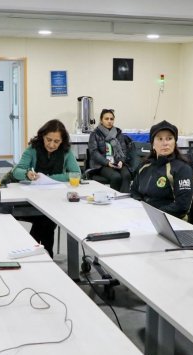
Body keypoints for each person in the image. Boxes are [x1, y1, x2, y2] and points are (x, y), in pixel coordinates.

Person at [12, 119, 81, 256]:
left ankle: (35, 253)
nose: (51, 144)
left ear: (62, 141)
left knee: (47, 217)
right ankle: (47, 254)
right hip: (31, 200)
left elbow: (77, 174)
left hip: (55, 199)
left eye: (56, 141)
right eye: (48, 140)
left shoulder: (66, 152)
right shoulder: (33, 149)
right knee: (46, 218)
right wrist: (27, 174)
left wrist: (49, 177)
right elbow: (16, 171)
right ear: (42, 136)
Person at [130, 120, 193, 220]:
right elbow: (134, 191)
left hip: (171, 222)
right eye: (160, 139)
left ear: (174, 142)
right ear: (153, 144)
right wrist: (141, 210)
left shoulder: (182, 169)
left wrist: (152, 214)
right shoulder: (145, 166)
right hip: (144, 218)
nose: (165, 143)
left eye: (169, 138)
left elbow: (182, 207)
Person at [87, 108, 135, 192]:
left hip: (117, 162)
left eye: (111, 119)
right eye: (106, 119)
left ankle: (124, 200)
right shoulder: (95, 134)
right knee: (116, 177)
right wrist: (107, 162)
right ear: (101, 120)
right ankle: (114, 201)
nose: (109, 121)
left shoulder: (118, 133)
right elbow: (94, 152)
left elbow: (124, 150)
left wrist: (121, 161)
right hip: (102, 165)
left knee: (127, 175)